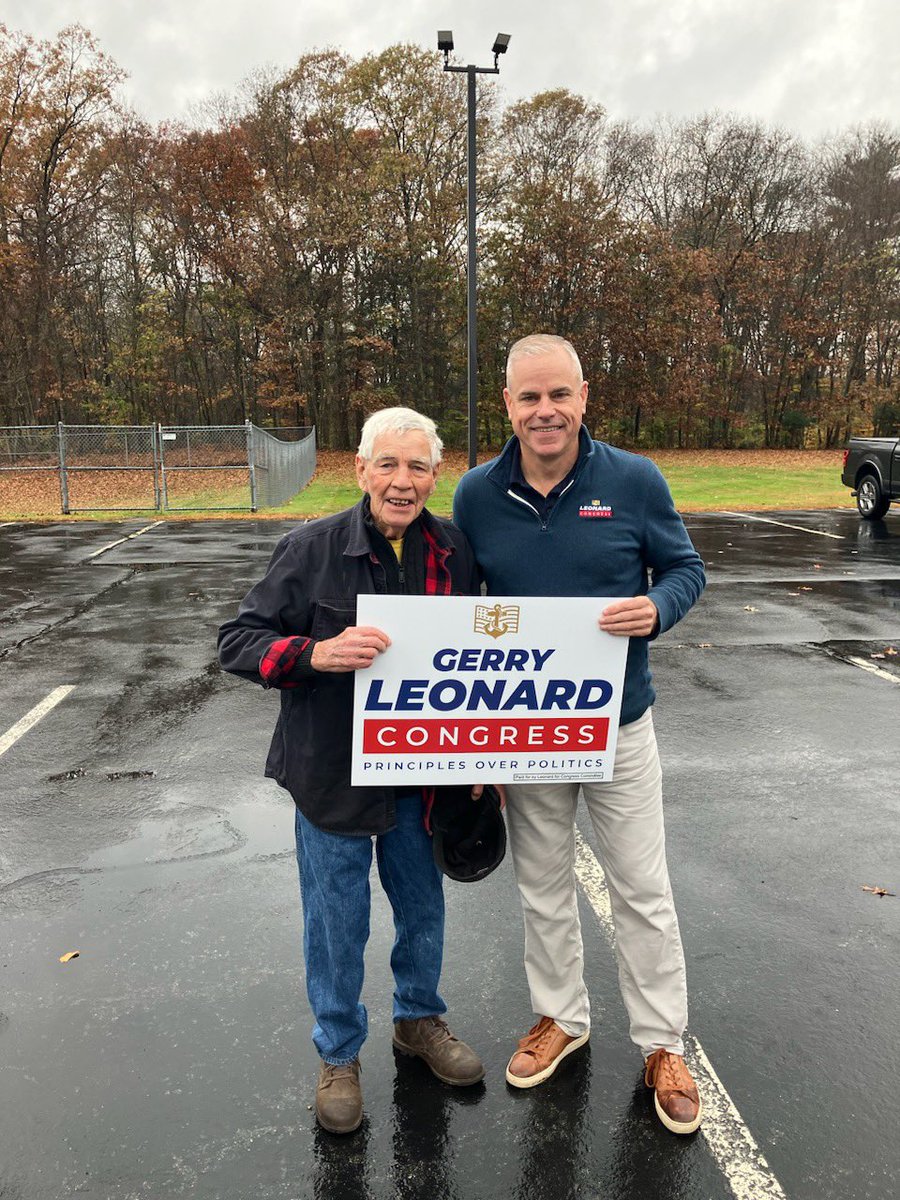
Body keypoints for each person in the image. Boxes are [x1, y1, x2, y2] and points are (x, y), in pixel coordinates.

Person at [452, 334, 707, 1135]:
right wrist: (468, 740)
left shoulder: (633, 480)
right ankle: (560, 1017)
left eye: (558, 394)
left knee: (642, 889)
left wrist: (657, 607)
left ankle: (663, 1042)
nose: (545, 411)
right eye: (529, 397)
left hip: (620, 723)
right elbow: (460, 616)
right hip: (527, 732)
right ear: (507, 406)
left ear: (584, 397)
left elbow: (685, 569)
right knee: (543, 888)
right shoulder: (475, 494)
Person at [218, 407, 485, 1136]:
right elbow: (238, 641)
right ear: (362, 470)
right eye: (389, 466)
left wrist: (484, 755)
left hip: (420, 775)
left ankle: (418, 1020)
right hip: (332, 774)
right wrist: (314, 654)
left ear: (437, 475)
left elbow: (483, 661)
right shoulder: (310, 549)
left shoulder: (456, 551)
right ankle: (338, 1052)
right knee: (337, 920)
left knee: (422, 907)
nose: (403, 482)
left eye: (418, 467)